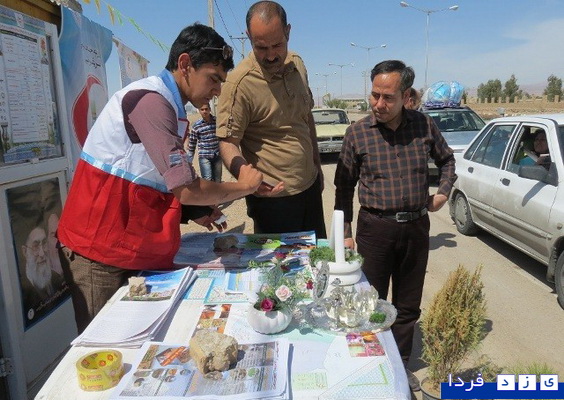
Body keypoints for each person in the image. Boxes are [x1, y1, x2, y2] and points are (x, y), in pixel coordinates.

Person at [57, 24, 263, 333]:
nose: (218, 91)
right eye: (213, 78)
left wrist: (193, 211)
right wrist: (244, 186)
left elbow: (150, 176)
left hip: (131, 247)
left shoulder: (171, 107)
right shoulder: (151, 101)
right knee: (108, 342)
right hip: (100, 252)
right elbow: (186, 188)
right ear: (185, 64)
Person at [334, 60, 456, 392]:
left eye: (387, 97)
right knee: (369, 302)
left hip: (416, 228)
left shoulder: (424, 125)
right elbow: (343, 187)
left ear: (405, 96)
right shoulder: (358, 132)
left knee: (407, 305)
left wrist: (443, 192)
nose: (379, 104)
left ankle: (399, 366)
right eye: (374, 95)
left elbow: (447, 160)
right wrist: (345, 235)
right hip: (375, 229)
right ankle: (371, 365)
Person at [216, 0, 326, 238]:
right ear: (249, 37)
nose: (271, 55)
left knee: (316, 257)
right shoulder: (239, 84)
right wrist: (244, 175)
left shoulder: (297, 65)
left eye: (277, 45)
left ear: (288, 32)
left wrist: (317, 164)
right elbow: (227, 143)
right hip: (272, 201)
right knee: (279, 262)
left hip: (309, 188)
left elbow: (306, 117)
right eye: (261, 47)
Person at [21, 226, 65, 304]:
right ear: (25, 252)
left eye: (44, 243)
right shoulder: (23, 294)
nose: (42, 253)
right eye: (35, 246)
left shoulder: (56, 277)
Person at [187, 103, 222, 182]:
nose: (204, 111)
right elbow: (192, 144)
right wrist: (189, 161)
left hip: (217, 155)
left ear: (210, 110)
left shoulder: (217, 122)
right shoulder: (196, 126)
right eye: (202, 109)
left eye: (206, 109)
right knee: (207, 180)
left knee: (218, 180)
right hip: (204, 156)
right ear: (199, 111)